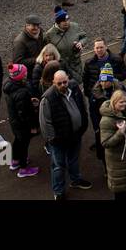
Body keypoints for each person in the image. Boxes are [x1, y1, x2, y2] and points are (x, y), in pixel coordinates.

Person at [39, 69, 93, 198]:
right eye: (59, 83)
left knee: (74, 160)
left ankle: (76, 180)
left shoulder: (74, 87)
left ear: (68, 79)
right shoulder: (47, 98)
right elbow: (45, 123)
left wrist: (83, 124)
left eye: (65, 82)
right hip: (59, 140)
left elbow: (82, 105)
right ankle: (58, 191)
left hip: (75, 135)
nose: (63, 85)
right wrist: (53, 139)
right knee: (58, 166)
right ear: (53, 82)